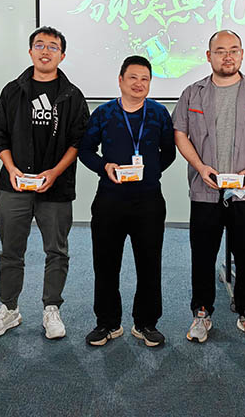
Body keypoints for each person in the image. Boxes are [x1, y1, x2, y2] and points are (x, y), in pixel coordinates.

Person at [0, 26, 89, 340]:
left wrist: (54, 173)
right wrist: (12, 169)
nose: (45, 51)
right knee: (10, 251)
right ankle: (9, 309)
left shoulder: (72, 95)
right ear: (30, 51)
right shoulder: (13, 91)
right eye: (39, 45)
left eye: (52, 47)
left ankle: (51, 309)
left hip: (55, 187)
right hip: (15, 185)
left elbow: (79, 140)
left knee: (57, 251)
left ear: (62, 55)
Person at [172, 30, 245, 344]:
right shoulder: (193, 93)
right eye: (220, 51)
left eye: (233, 50)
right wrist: (199, 166)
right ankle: (202, 312)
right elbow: (180, 133)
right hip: (206, 189)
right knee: (203, 255)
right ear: (209, 56)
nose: (227, 56)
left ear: (242, 54)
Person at [78, 56, 176, 347]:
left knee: (149, 264)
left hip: (149, 201)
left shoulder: (158, 113)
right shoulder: (104, 113)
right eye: (133, 77)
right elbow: (85, 150)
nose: (139, 83)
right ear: (120, 80)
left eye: (145, 79)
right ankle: (107, 323)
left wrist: (150, 173)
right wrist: (104, 167)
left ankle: (146, 323)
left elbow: (169, 153)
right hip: (110, 199)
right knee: (106, 264)